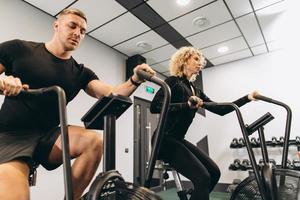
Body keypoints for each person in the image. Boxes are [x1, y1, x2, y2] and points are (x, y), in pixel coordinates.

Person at [0, 8, 155, 200]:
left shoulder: (80, 73)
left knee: (94, 141)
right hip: (10, 137)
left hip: (49, 137)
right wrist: (5, 83)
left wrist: (134, 80)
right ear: (56, 26)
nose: (77, 33)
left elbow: (111, 93)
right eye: (72, 26)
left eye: (82, 31)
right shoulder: (19, 49)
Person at [150, 46, 258, 200]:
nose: (199, 63)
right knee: (203, 178)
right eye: (195, 59)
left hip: (178, 139)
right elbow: (155, 107)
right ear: (184, 60)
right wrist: (186, 105)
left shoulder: (195, 90)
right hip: (164, 140)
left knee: (214, 173)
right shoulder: (173, 82)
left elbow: (221, 109)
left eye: (200, 60)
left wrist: (246, 98)